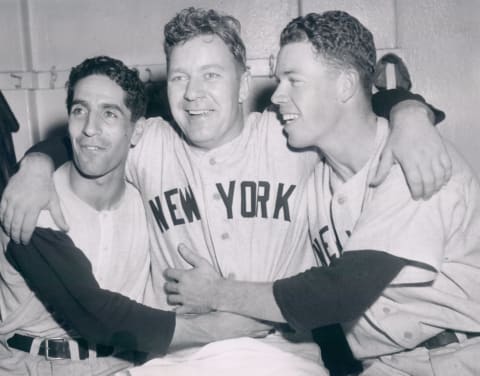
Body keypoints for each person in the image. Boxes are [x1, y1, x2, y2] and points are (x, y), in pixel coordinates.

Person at [0, 6, 450, 376]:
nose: (193, 94)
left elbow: (356, 110)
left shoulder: (290, 134)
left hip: (282, 353)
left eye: (211, 76)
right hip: (172, 357)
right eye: (179, 78)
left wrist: (411, 112)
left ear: (243, 85)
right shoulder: (151, 141)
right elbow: (89, 135)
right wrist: (36, 165)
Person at [163, 10, 480, 376]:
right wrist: (406, 105)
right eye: (279, 80)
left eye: (293, 81)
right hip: (385, 365)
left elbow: (338, 293)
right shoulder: (312, 166)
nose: (277, 95)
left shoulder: (415, 161)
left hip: (460, 355)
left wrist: (216, 292)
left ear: (344, 85)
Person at [0, 55, 272, 376]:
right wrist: (216, 327)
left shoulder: (145, 202)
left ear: (137, 131)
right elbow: (94, 314)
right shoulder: (32, 200)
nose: (90, 128)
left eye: (110, 114)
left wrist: (217, 298)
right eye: (79, 110)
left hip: (124, 364)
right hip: (33, 365)